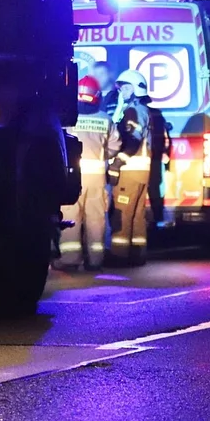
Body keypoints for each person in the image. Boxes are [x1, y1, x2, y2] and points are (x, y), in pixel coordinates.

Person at [55, 76, 121, 271]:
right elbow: (115, 146)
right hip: (96, 178)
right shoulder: (105, 119)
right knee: (96, 217)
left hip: (72, 175)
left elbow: (61, 144)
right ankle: (95, 259)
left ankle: (69, 259)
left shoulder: (67, 118)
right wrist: (101, 155)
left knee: (70, 214)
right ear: (97, 96)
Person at [108, 69, 152, 266]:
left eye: (126, 87)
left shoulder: (133, 111)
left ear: (135, 89)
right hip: (141, 171)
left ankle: (119, 254)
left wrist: (117, 164)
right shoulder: (143, 110)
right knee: (137, 213)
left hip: (130, 170)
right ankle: (137, 252)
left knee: (123, 211)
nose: (122, 91)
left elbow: (133, 141)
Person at [140, 92, 172, 226]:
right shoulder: (156, 114)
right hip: (153, 158)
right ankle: (157, 219)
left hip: (145, 159)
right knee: (155, 191)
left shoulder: (135, 113)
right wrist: (164, 153)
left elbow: (164, 138)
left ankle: (154, 219)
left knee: (146, 191)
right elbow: (165, 138)